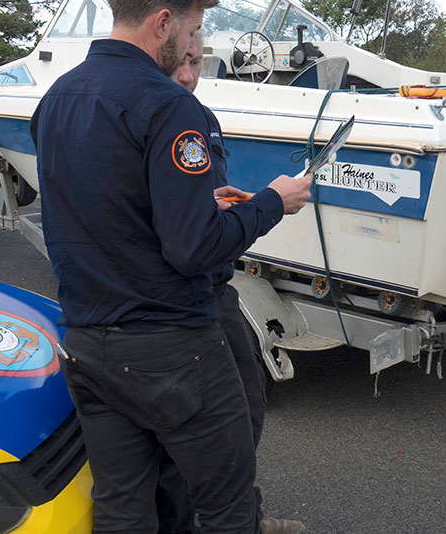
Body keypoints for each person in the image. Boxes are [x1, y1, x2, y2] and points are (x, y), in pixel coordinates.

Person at [30, 0, 312, 533]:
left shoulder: (56, 98)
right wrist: (270, 202)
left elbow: (106, 208)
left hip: (88, 339)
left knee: (122, 506)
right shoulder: (169, 106)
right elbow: (194, 249)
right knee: (227, 507)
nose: (192, 45)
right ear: (163, 22)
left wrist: (197, 207)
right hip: (170, 347)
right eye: (193, 30)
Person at [155, 34, 304, 534]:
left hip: (218, 289)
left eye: (197, 63)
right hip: (183, 300)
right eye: (179, 63)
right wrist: (269, 204)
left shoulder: (198, 116)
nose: (188, 75)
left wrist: (215, 205)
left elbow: (183, 212)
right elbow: (182, 240)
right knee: (197, 429)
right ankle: (211, 521)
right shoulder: (159, 118)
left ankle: (242, 515)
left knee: (247, 408)